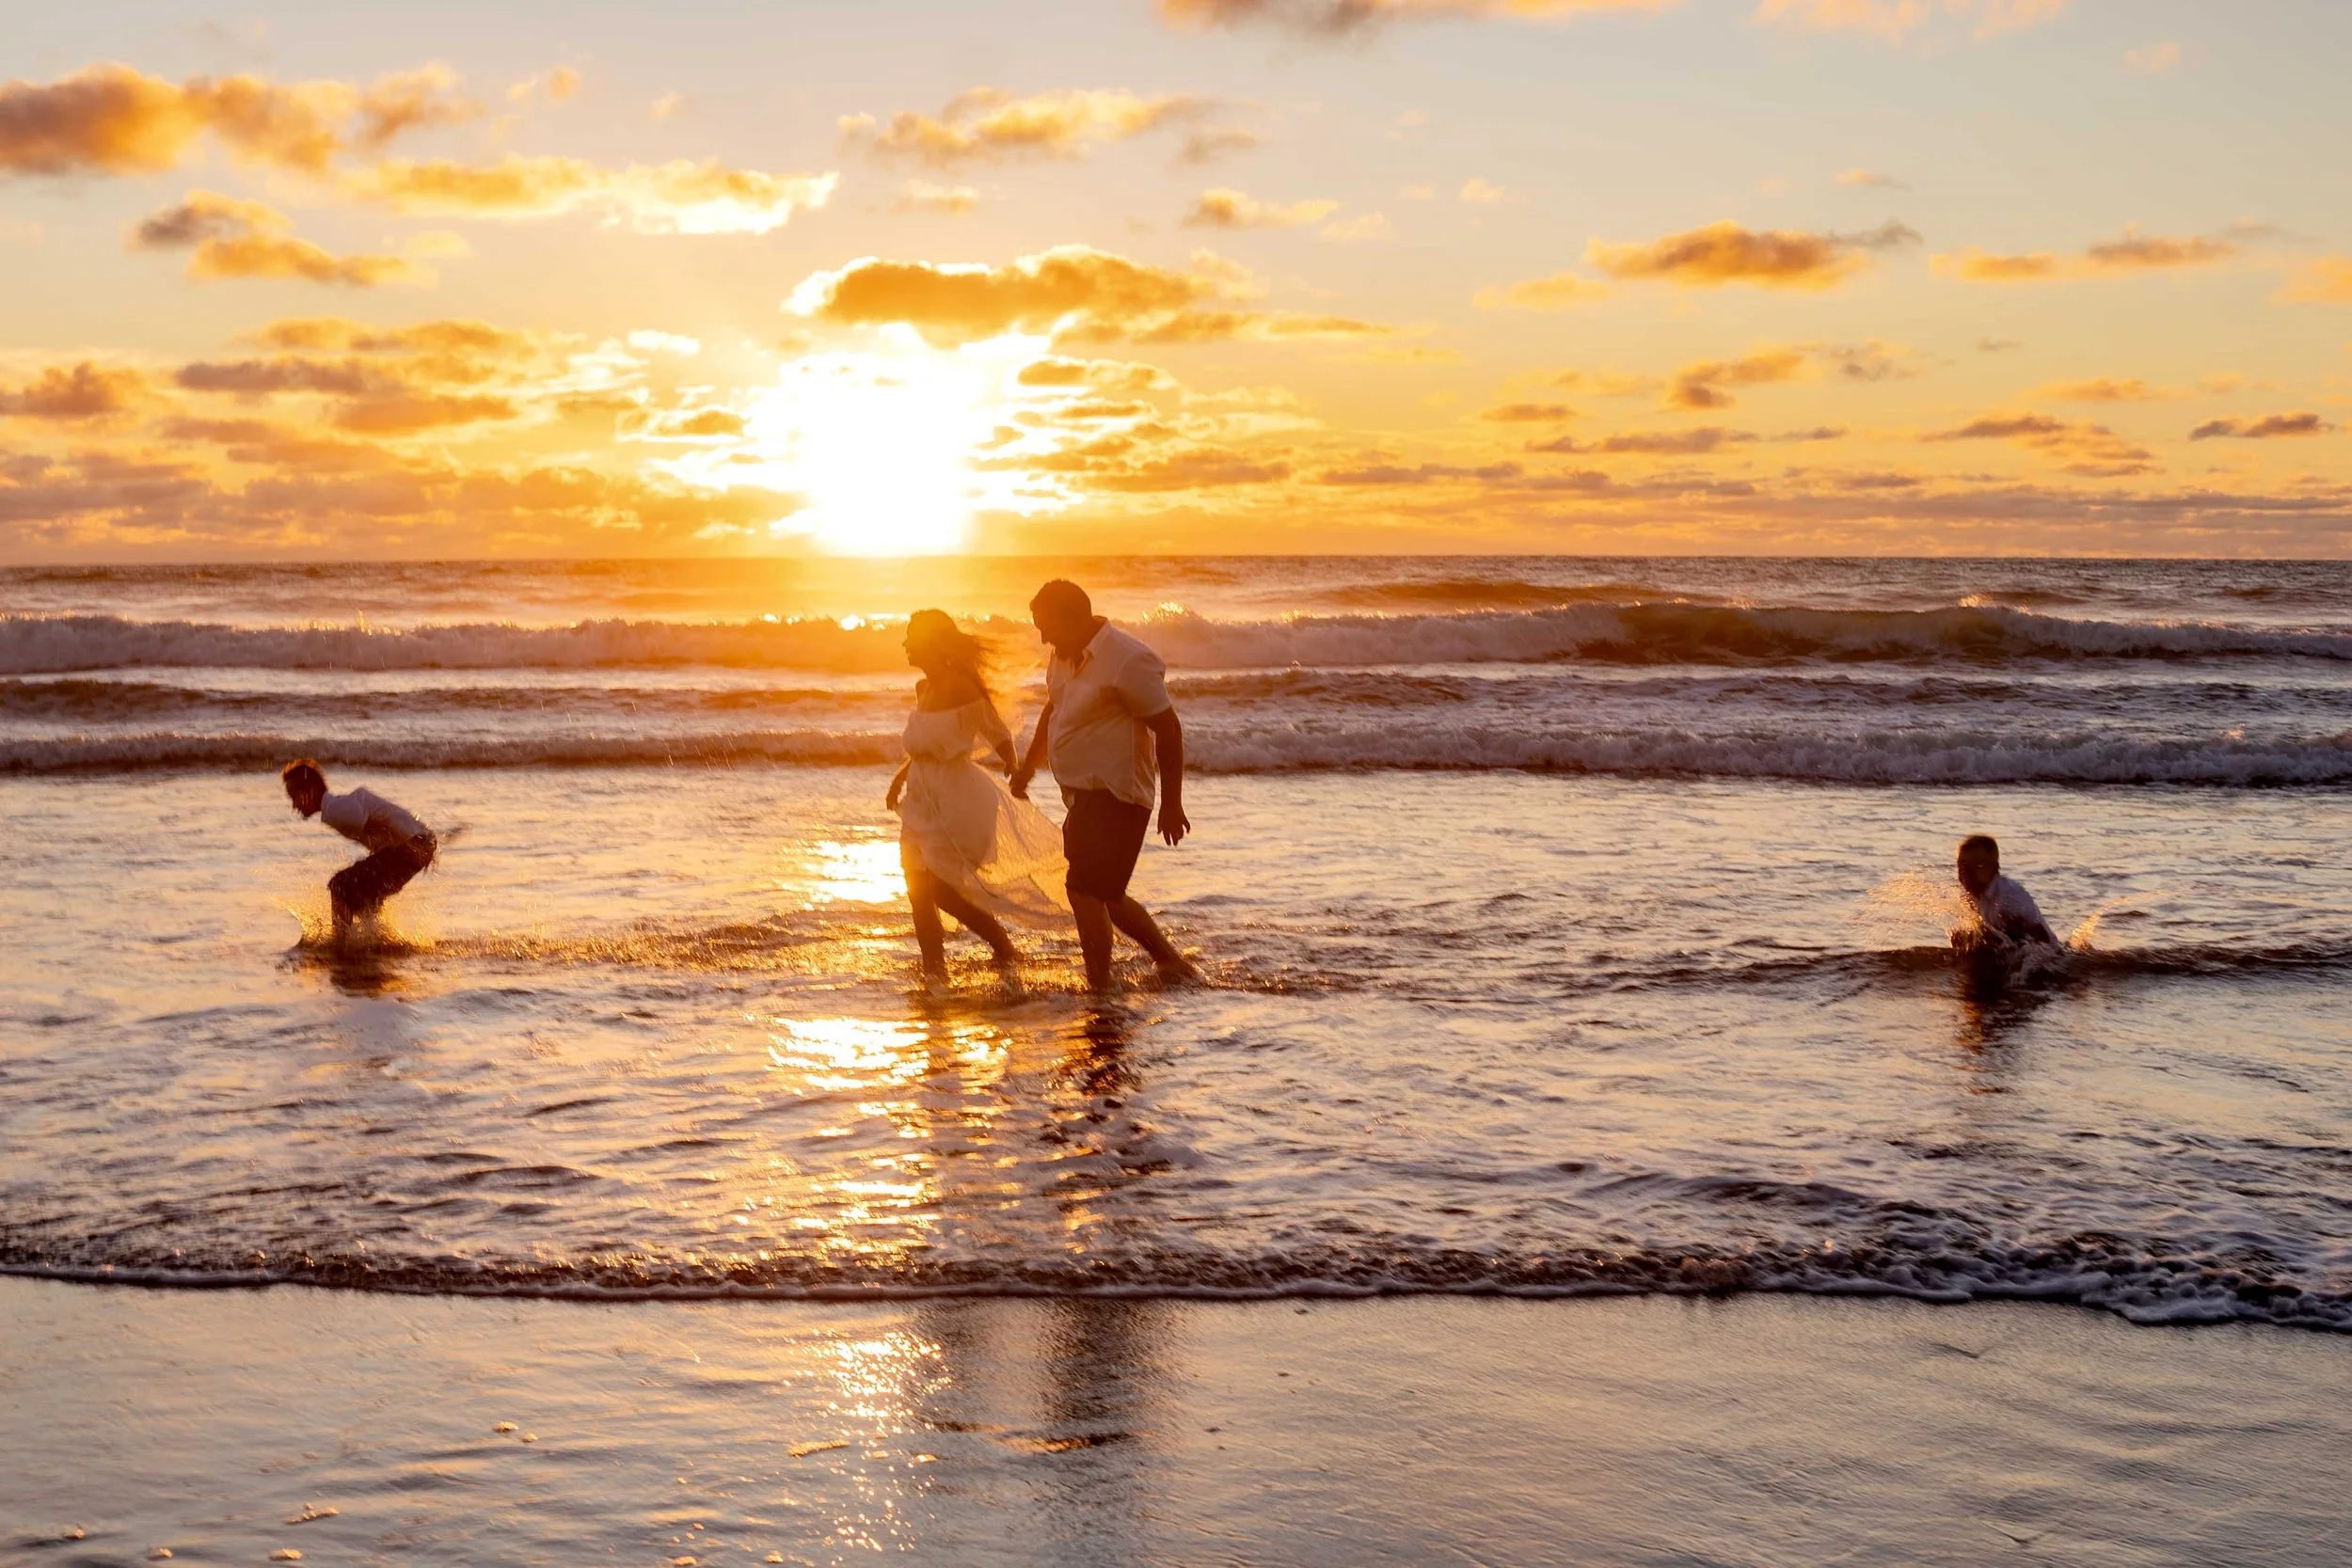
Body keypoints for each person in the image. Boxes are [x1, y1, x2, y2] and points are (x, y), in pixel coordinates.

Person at [1009, 579, 1200, 990]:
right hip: (1081, 795)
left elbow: (1167, 729)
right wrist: (1029, 765)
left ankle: (1099, 988)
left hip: (1118, 792)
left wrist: (1172, 804)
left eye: (1046, 627)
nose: (1042, 638)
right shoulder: (1062, 656)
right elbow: (1054, 709)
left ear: (1075, 618)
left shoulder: (1128, 660)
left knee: (1083, 890)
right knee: (1107, 896)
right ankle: (1171, 962)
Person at [887, 610, 1069, 981]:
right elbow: (924, 744)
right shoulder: (924, 689)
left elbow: (998, 732)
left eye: (912, 637)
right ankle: (934, 973)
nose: (905, 644)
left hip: (958, 801)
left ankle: (1001, 944)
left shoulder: (961, 687)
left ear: (933, 643)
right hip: (921, 800)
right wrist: (900, 778)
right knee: (916, 888)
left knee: (941, 890)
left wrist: (1015, 772)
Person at [280, 760, 437, 940]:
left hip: (413, 846)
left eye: (294, 796)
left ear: (311, 791)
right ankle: (373, 940)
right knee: (362, 896)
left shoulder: (335, 810)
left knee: (340, 885)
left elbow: (376, 818)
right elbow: (383, 820)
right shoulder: (336, 808)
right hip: (417, 844)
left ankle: (341, 944)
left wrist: (414, 843)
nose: (294, 805)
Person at [1952, 833, 2058, 949]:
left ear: (1995, 867)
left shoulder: (2009, 894)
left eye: (1977, 866)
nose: (1967, 872)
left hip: (2050, 957)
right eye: (1962, 866)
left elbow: (2040, 936)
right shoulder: (1968, 895)